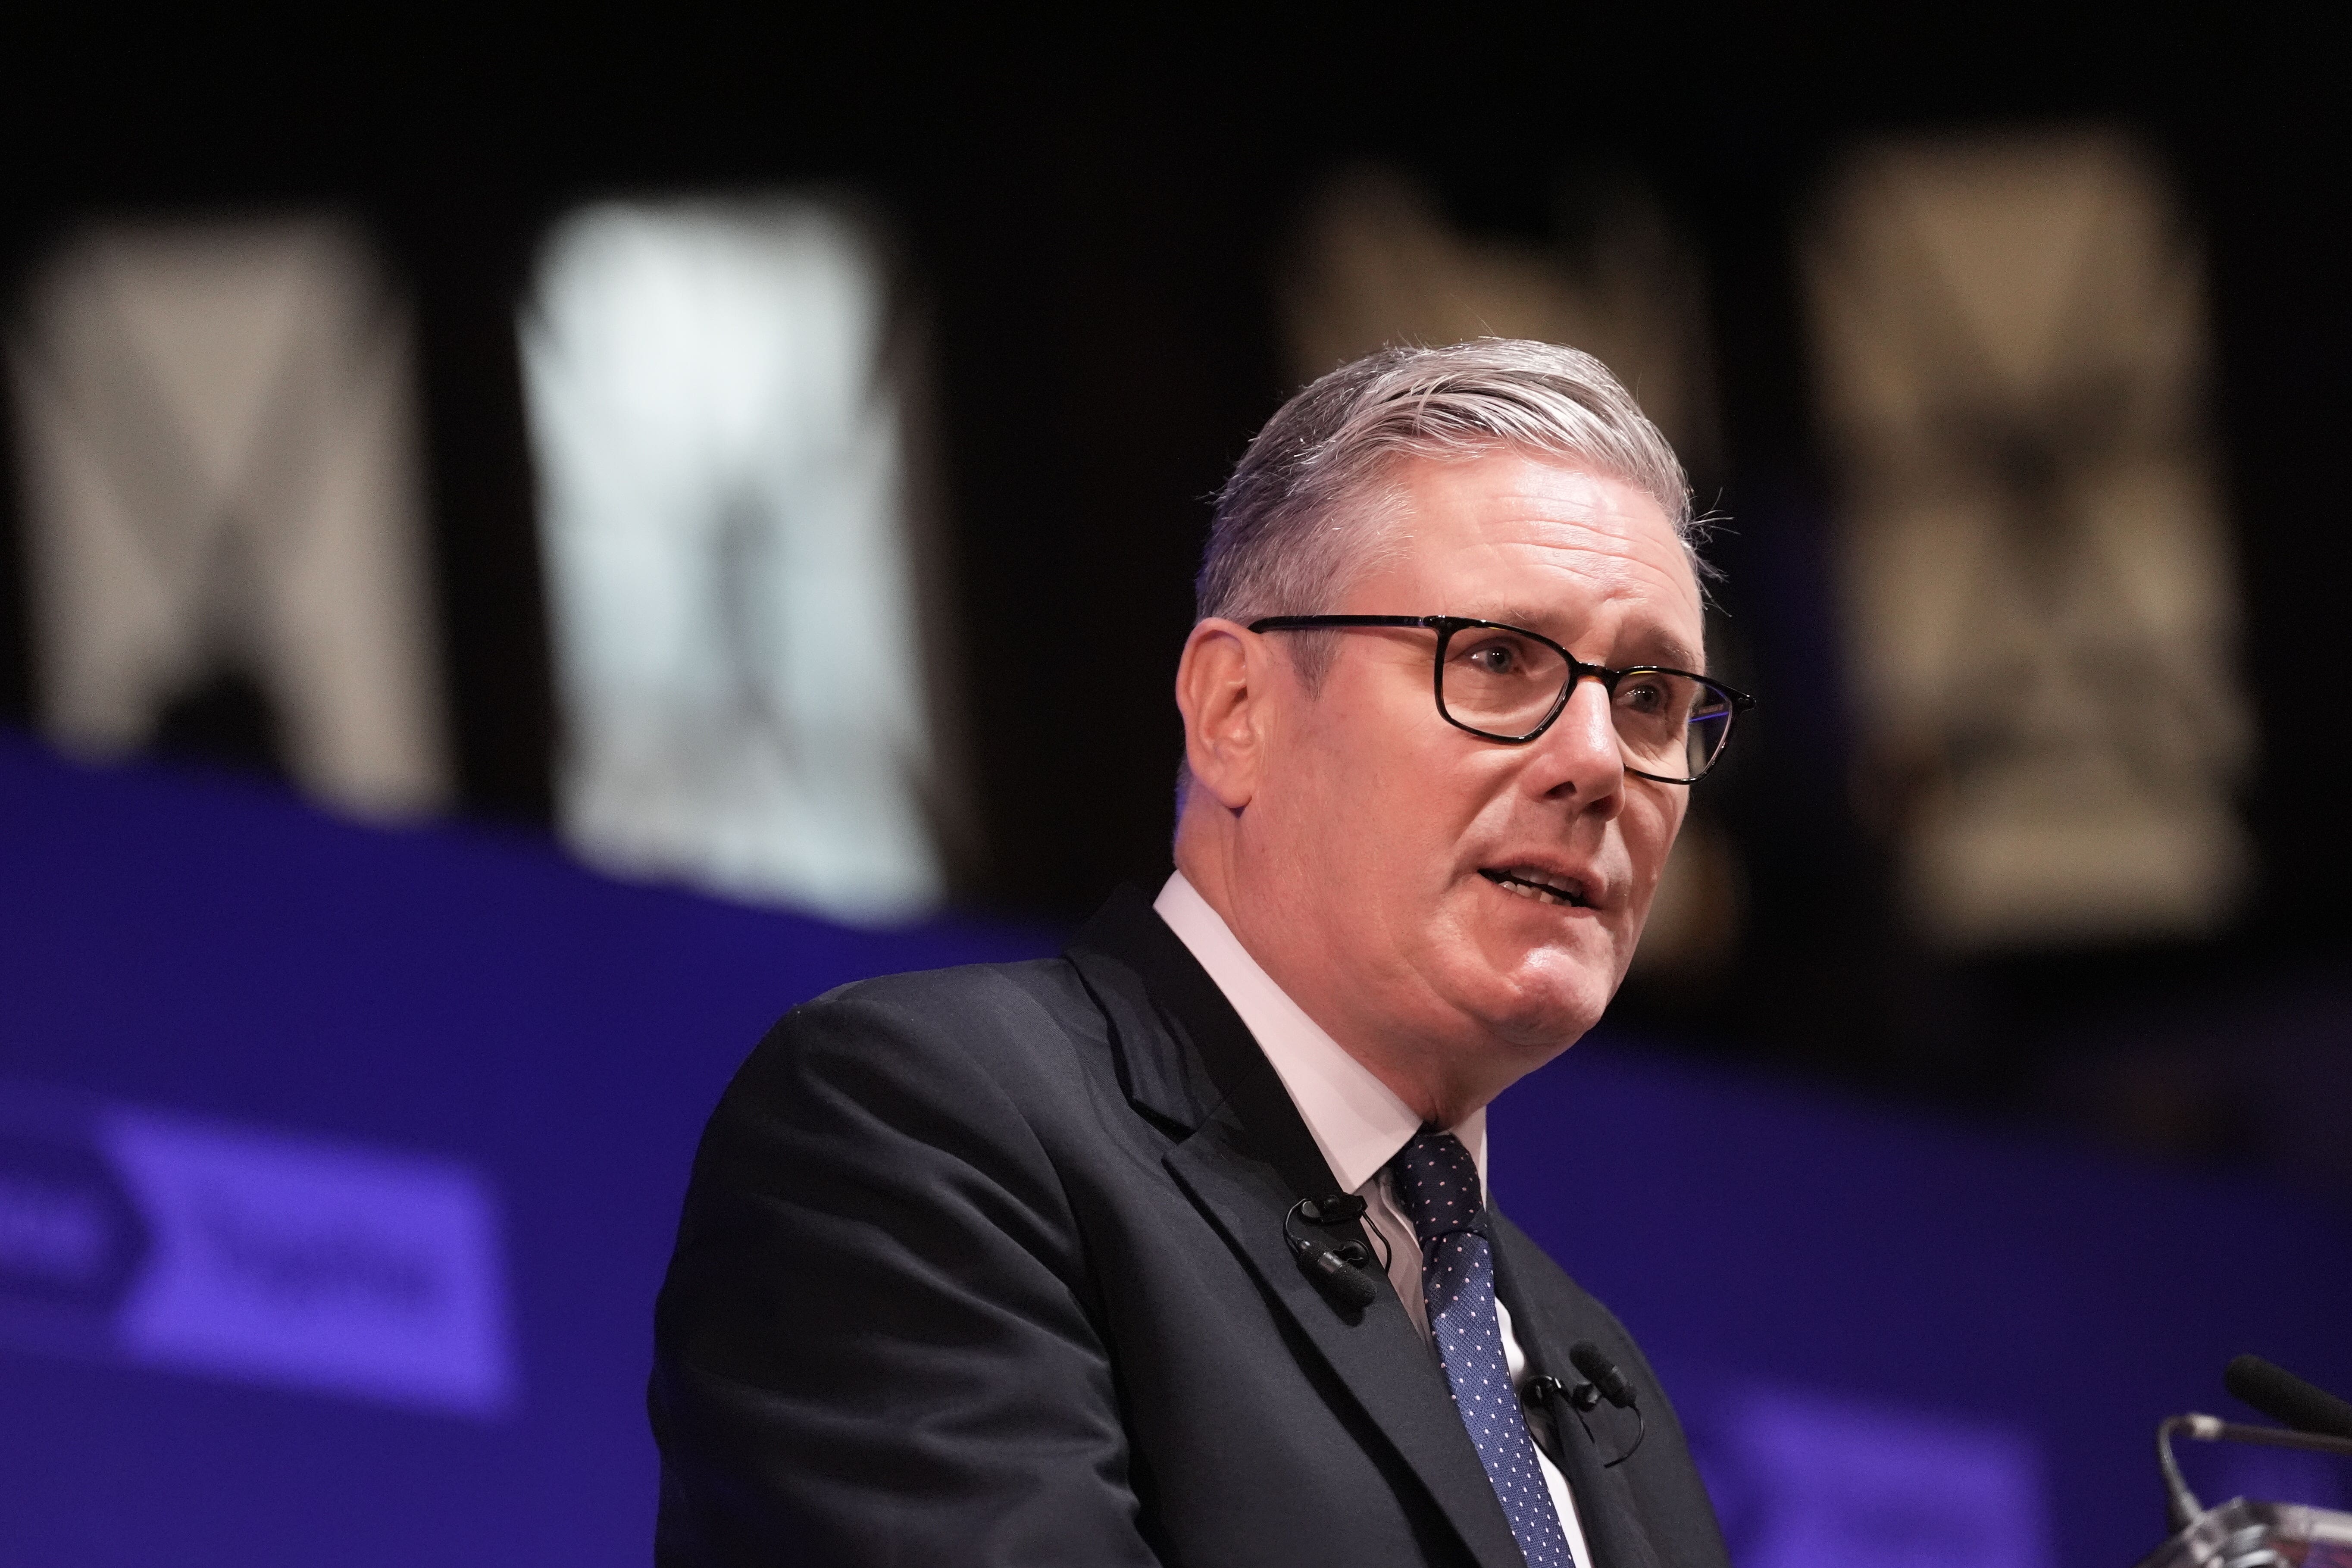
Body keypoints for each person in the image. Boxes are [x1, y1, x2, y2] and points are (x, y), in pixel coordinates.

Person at [650, 339, 1751, 1568]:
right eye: (1497, 660)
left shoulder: (1602, 1388)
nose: (1599, 762)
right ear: (1237, 713)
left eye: (1651, 697)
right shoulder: (925, 1129)